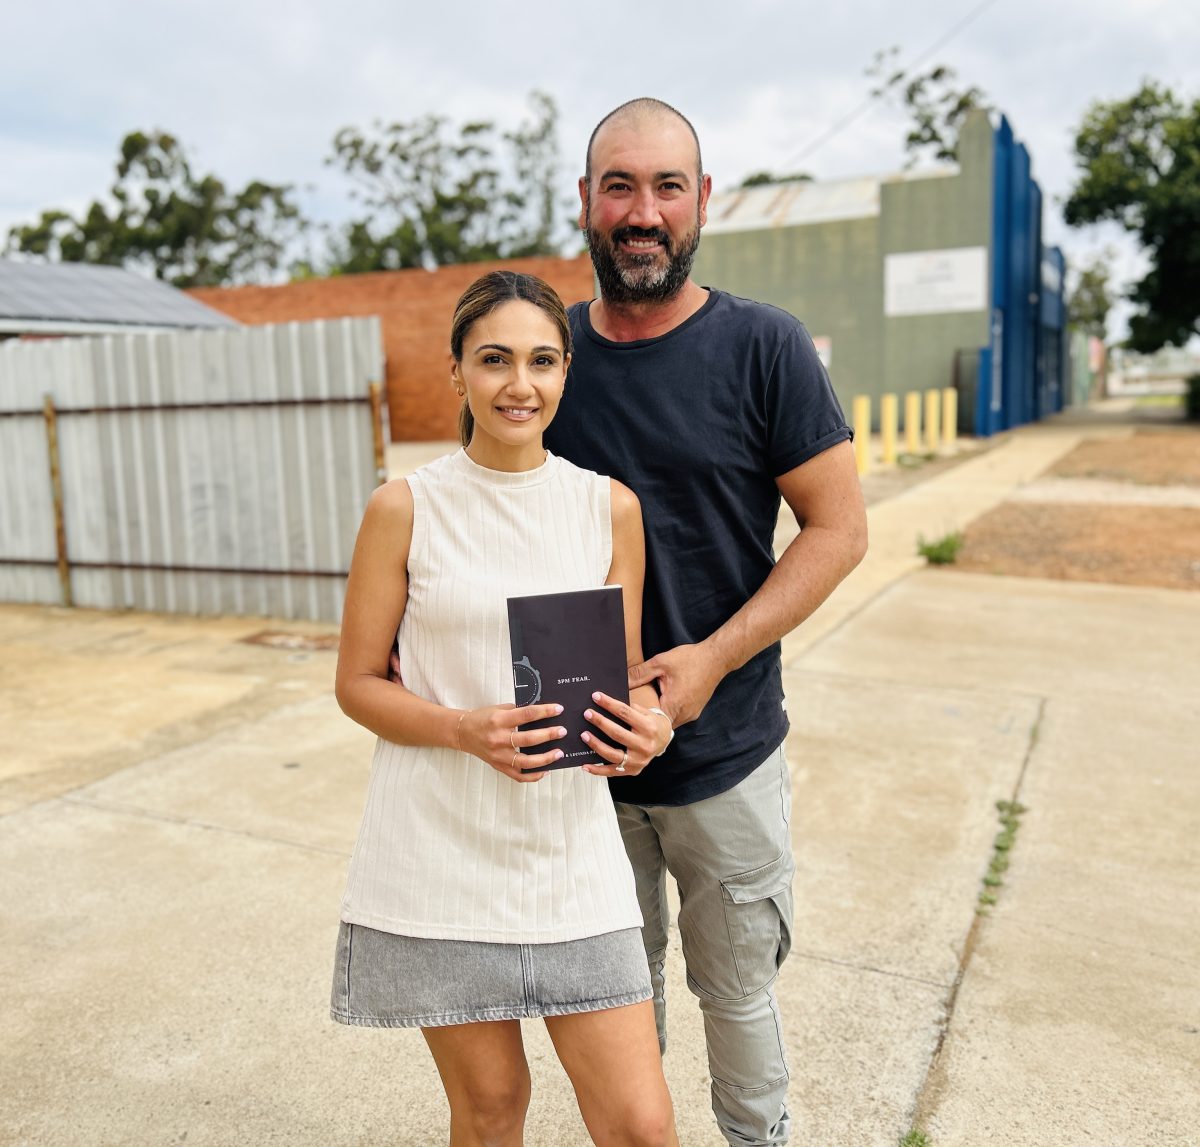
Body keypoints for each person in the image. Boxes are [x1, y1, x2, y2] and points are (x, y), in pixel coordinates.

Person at [543, 99, 869, 1147]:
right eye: (621, 185)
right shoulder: (543, 359)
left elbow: (838, 530)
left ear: (703, 203)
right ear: (586, 202)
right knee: (614, 1002)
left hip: (725, 753)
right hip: (584, 766)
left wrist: (711, 661)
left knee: (735, 994)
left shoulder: (762, 346)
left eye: (666, 186)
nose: (643, 212)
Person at [331, 270, 679, 1147]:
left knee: (641, 1123)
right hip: (440, 849)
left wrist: (646, 726)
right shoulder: (404, 508)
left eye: (541, 361)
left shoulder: (608, 507)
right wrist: (459, 727)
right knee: (490, 1110)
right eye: (494, 360)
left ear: (566, 371)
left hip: (570, 854)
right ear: (456, 372)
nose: (519, 385)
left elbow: (623, 676)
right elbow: (358, 682)